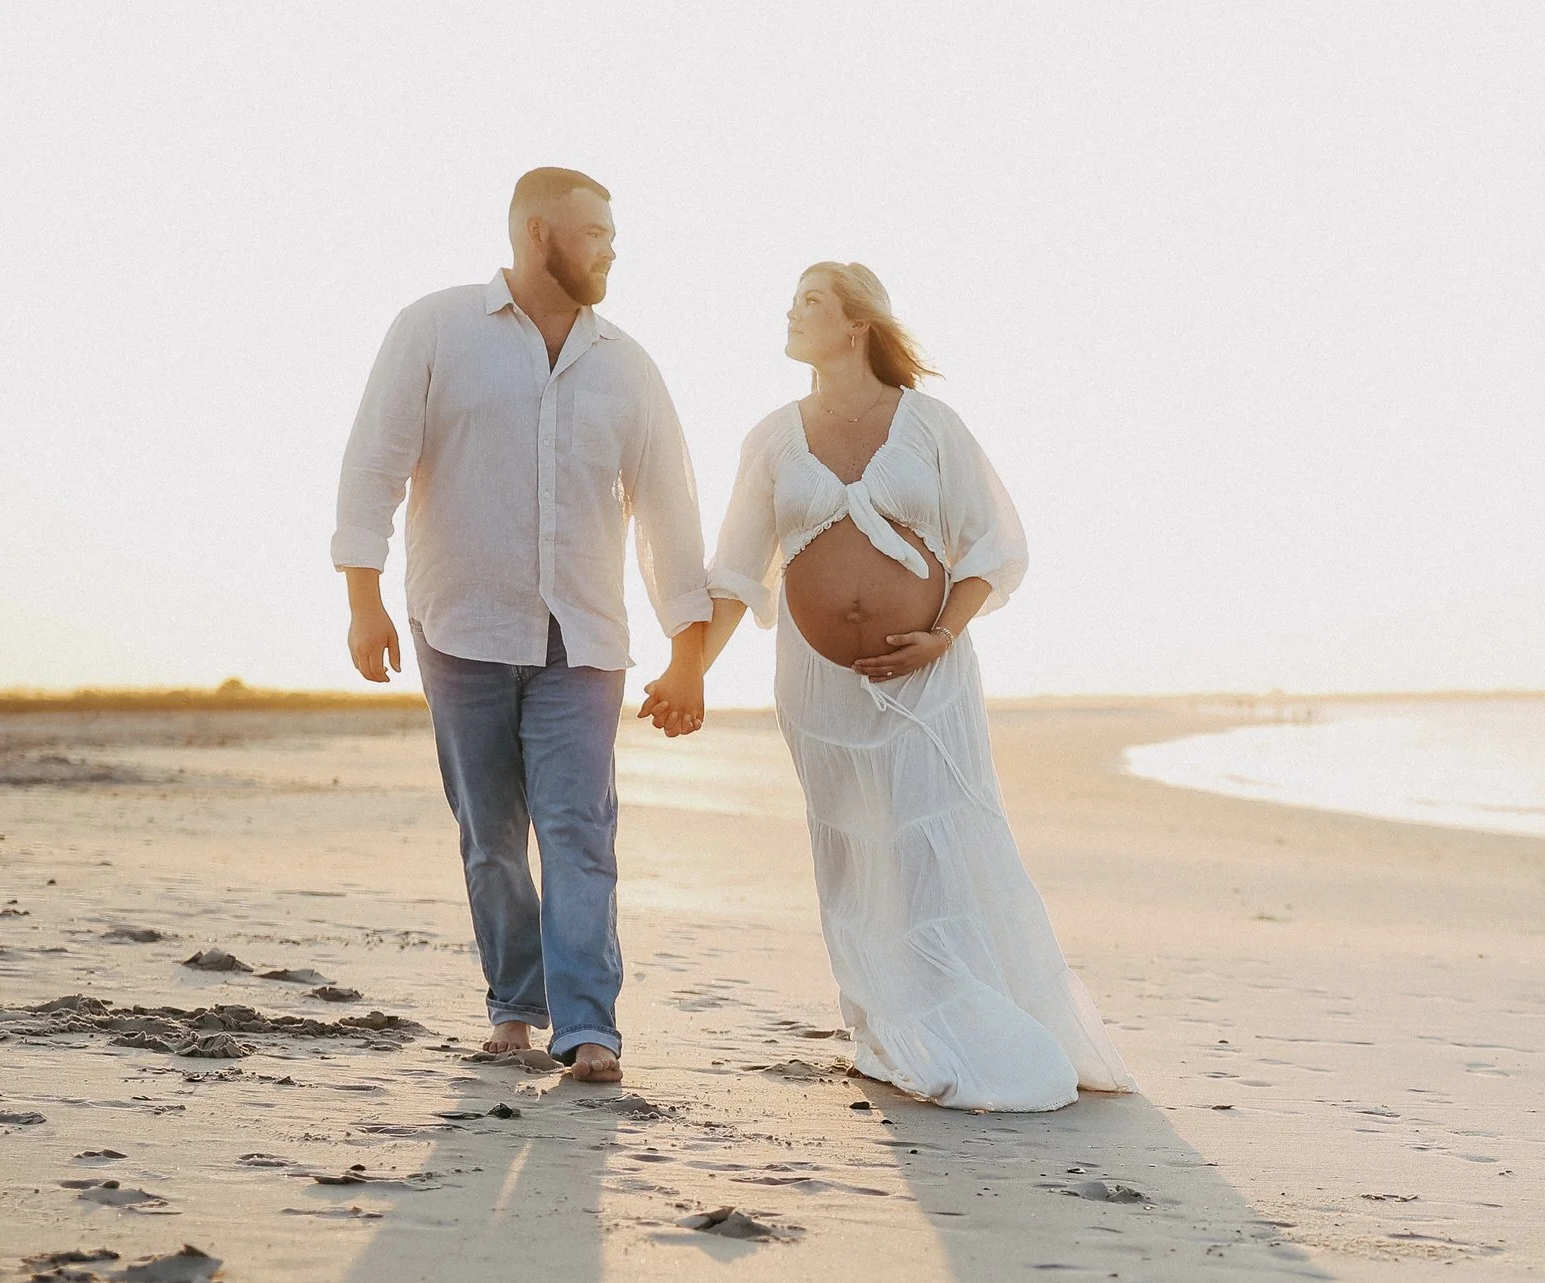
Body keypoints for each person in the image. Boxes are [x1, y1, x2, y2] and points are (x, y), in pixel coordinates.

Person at [638, 262, 1132, 1111]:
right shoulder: (772, 437)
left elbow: (990, 549)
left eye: (810, 302)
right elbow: (739, 573)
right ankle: (890, 1020)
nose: (790, 313)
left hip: (927, 684)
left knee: (930, 847)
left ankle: (962, 1011)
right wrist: (689, 669)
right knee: (858, 856)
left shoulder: (931, 425)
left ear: (857, 323)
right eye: (791, 299)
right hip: (821, 697)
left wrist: (944, 634)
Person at [331, 167, 711, 1084]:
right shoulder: (435, 329)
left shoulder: (628, 363)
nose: (611, 247)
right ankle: (514, 1005)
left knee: (579, 829)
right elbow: (373, 463)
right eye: (595, 231)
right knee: (492, 834)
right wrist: (363, 599)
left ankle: (588, 1028)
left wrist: (688, 651)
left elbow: (669, 513)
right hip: (459, 626)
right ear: (539, 233)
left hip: (583, 640)